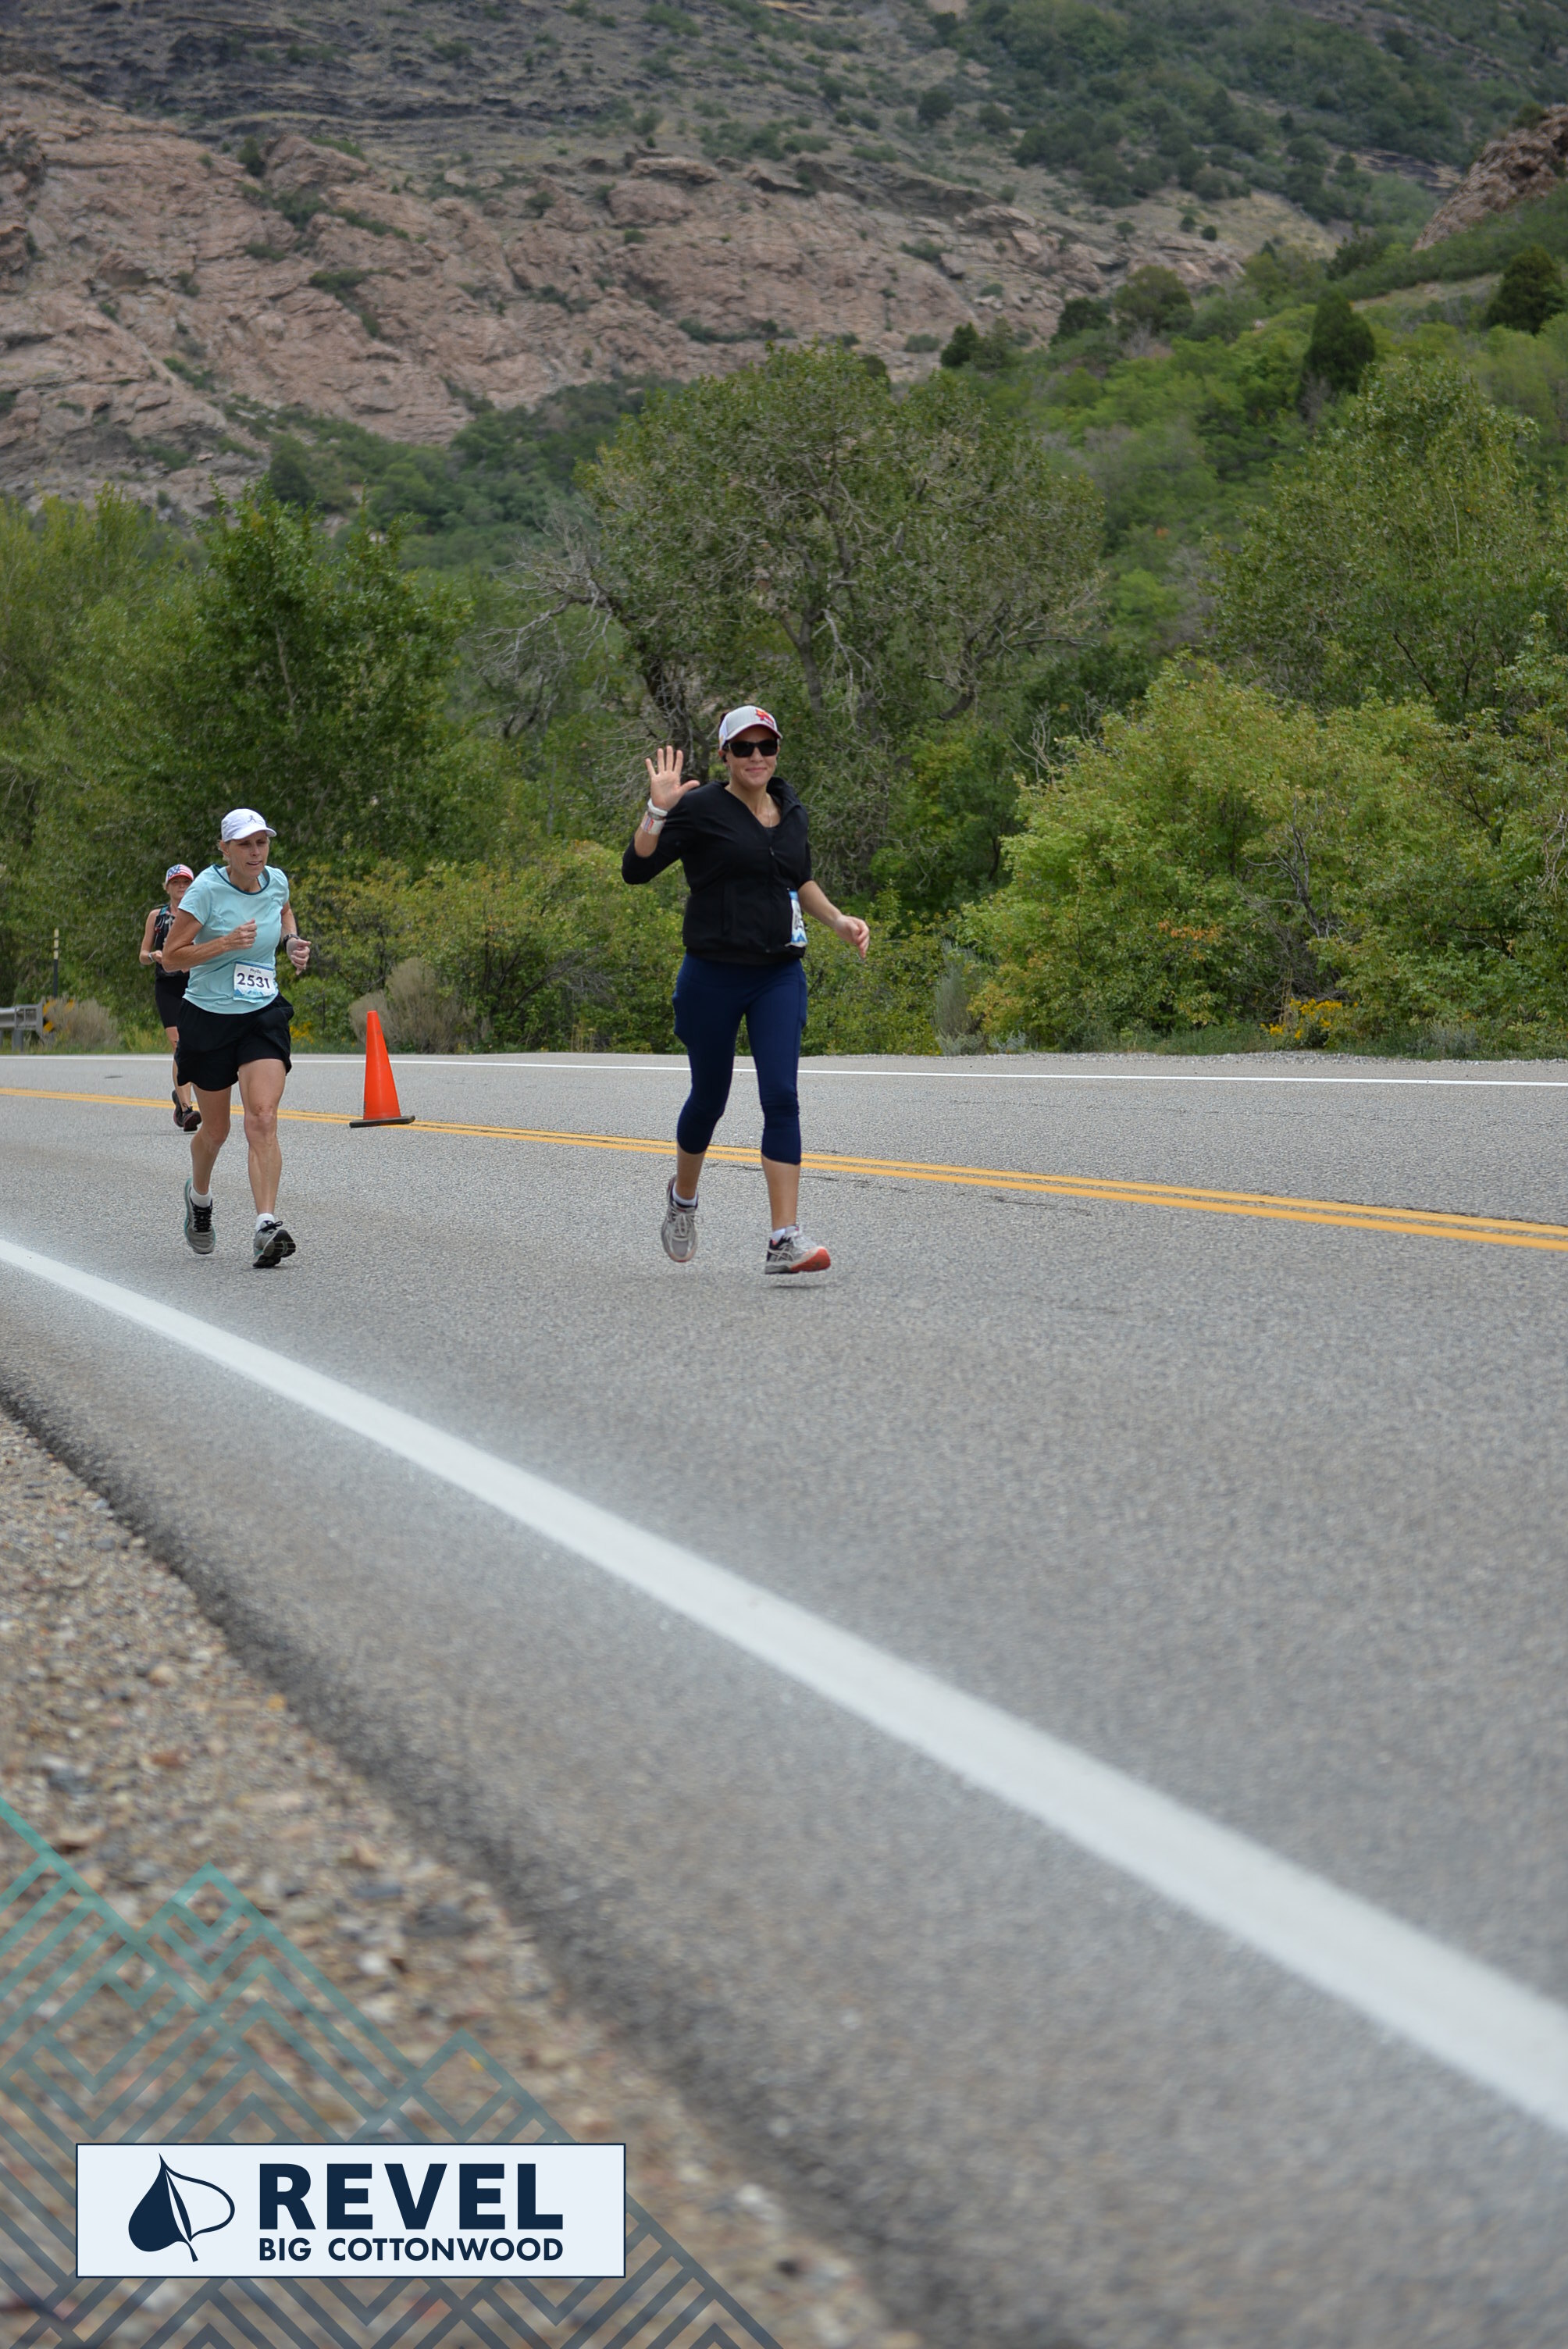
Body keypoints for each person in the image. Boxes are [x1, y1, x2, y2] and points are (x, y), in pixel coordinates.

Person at [622, 702, 868, 1274]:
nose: (757, 757)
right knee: (709, 1098)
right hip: (712, 974)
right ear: (725, 755)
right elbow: (636, 869)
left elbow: (799, 878)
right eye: (743, 747)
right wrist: (657, 811)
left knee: (781, 1096)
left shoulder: (791, 808)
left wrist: (837, 921)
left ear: (777, 750)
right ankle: (683, 1201)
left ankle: (784, 1239)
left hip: (778, 972)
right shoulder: (701, 807)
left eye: (766, 746)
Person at [159, 807, 312, 1269]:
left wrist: (290, 942)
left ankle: (266, 1225)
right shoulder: (205, 890)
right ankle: (199, 1198)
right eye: (245, 844)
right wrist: (224, 943)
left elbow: (283, 911)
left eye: (261, 842)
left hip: (261, 1012)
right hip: (209, 1017)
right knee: (217, 1130)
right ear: (224, 849)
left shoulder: (277, 881)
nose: (255, 852)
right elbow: (171, 957)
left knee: (262, 1117)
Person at [138, 864, 201, 1132]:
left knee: (197, 1046)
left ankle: (180, 1096)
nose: (181, 887)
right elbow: (142, 955)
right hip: (168, 987)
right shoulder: (157, 916)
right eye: (176, 883)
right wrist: (154, 956)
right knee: (180, 1046)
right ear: (167, 887)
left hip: (195, 985)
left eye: (186, 882)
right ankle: (187, 1110)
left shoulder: (200, 914)